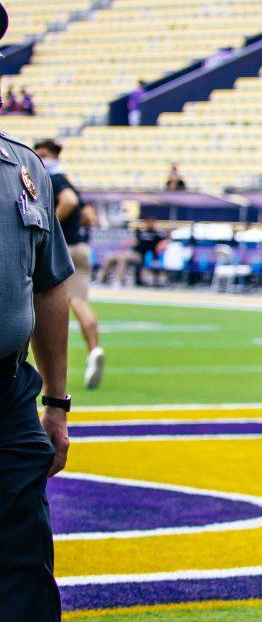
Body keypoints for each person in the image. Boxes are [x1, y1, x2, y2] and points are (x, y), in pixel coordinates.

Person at [0, 96, 75, 617]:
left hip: (8, 395)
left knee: (24, 560)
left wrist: (57, 402)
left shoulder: (25, 167)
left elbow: (49, 288)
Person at [33, 141, 105, 389]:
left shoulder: (53, 180)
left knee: (54, 304)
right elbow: (88, 216)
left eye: (42, 154)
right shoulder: (68, 179)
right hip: (81, 247)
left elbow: (70, 202)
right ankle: (93, 349)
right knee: (80, 301)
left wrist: (48, 223)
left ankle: (50, 373)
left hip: (63, 249)